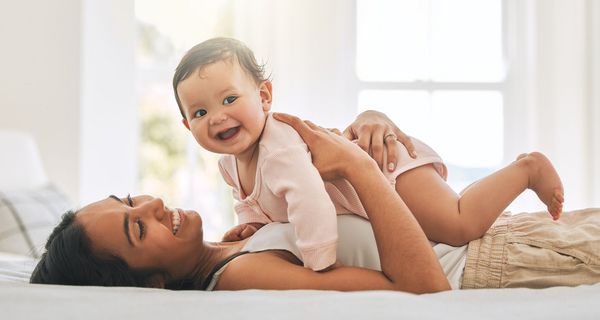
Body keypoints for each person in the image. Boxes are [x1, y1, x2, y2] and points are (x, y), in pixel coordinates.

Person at [30, 112, 600, 291]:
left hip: (516, 234)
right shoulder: (242, 277)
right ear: (150, 287)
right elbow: (424, 293)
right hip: (496, 265)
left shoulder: (233, 241)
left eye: (131, 199)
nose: (153, 205)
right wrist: (358, 167)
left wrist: (373, 131)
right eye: (137, 228)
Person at [172, 37, 564, 270]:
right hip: (372, 190)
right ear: (189, 126)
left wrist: (319, 261)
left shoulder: (278, 148)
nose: (218, 117)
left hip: (387, 167)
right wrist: (254, 228)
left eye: (229, 99)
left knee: (458, 225)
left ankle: (526, 169)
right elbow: (255, 202)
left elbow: (311, 205)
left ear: (264, 97)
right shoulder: (229, 164)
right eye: (201, 112)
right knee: (436, 238)